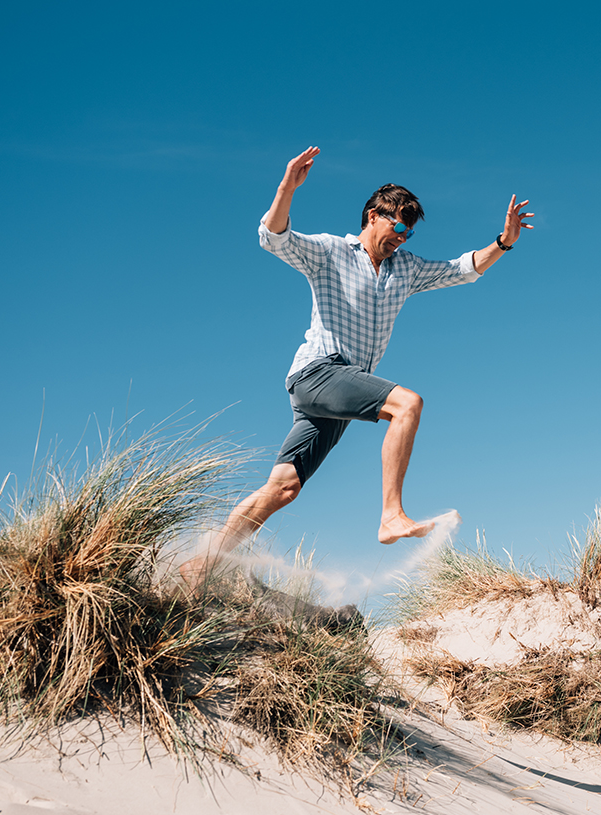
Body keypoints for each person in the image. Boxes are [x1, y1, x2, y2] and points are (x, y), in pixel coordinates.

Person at [185, 146, 532, 580]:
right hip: (318, 373)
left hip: (342, 390)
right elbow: (274, 238)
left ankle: (201, 564)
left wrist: (503, 243)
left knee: (283, 488)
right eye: (398, 226)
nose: (402, 238)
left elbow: (461, 269)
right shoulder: (331, 252)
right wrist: (286, 188)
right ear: (373, 216)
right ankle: (391, 516)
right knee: (407, 404)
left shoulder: (404, 269)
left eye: (409, 233)